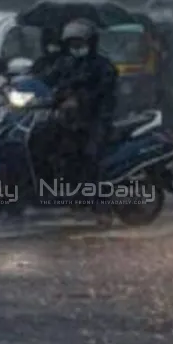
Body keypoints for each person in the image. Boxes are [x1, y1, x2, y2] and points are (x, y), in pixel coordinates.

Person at [52, 20, 118, 217]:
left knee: (92, 157)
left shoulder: (102, 66)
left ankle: (102, 207)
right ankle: (74, 198)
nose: (76, 47)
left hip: (96, 118)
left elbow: (103, 90)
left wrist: (80, 99)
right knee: (61, 153)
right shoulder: (66, 63)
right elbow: (49, 79)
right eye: (72, 44)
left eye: (80, 43)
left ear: (91, 42)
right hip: (70, 119)